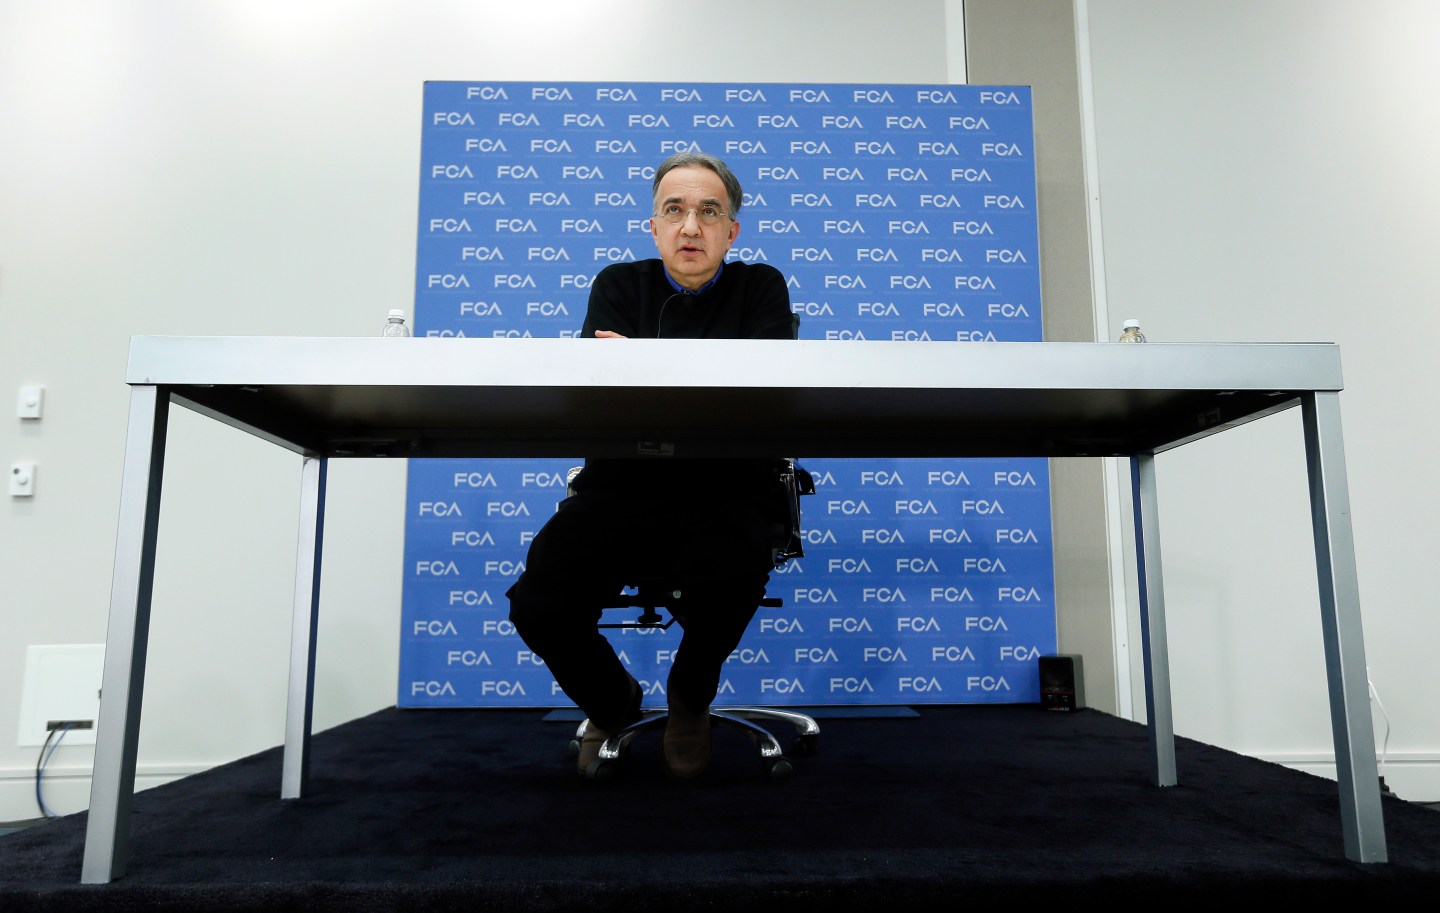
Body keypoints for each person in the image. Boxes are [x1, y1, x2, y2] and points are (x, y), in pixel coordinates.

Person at [506, 151, 796, 778]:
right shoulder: (618, 285)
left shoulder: (760, 288)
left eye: (709, 212)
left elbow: (764, 386)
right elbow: (601, 392)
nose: (691, 227)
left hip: (728, 486)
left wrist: (642, 359)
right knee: (538, 601)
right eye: (675, 211)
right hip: (621, 486)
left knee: (739, 559)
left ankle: (691, 698)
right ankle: (613, 702)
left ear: (731, 231)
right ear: (654, 227)